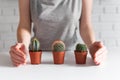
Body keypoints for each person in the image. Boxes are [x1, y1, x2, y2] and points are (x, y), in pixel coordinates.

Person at [9, 0, 107, 67]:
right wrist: (23, 45)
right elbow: (24, 25)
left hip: (71, 59)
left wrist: (92, 45)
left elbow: (85, 26)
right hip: (37, 59)